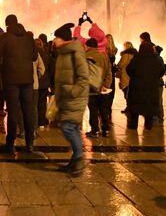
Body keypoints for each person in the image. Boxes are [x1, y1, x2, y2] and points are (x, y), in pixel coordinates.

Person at [0, 14, 38, 153]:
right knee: (28, 111)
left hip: (11, 79)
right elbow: (34, 56)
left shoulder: (5, 37)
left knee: (13, 112)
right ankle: (30, 143)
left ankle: (10, 144)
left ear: (7, 24)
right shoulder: (29, 37)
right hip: (27, 79)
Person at [52, 23, 90, 176]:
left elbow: (83, 77)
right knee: (72, 128)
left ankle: (79, 158)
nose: (54, 41)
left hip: (74, 97)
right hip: (66, 97)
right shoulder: (63, 53)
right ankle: (75, 161)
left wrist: (72, 91)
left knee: (68, 128)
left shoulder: (75, 52)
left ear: (63, 39)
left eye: (56, 38)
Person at [125, 42, 165, 130]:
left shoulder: (137, 58)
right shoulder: (156, 59)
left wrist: (135, 77)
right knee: (149, 107)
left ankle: (133, 125)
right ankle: (148, 125)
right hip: (151, 86)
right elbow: (162, 71)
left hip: (137, 86)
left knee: (135, 106)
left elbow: (129, 69)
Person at [84, 38, 113, 137]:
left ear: (88, 46)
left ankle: (95, 130)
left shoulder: (85, 56)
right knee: (104, 109)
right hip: (103, 89)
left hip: (91, 89)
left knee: (93, 110)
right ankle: (106, 129)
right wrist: (106, 85)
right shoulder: (104, 56)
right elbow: (109, 72)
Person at [116, 42, 137, 113]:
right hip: (132, 76)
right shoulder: (135, 55)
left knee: (126, 93)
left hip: (125, 76)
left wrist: (116, 66)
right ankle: (131, 107)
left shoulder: (126, 55)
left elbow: (121, 64)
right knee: (131, 93)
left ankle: (129, 107)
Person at [35, 38, 51, 128]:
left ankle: (36, 120)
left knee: (35, 103)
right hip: (45, 83)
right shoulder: (46, 56)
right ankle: (42, 120)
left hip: (36, 82)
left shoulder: (33, 55)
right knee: (43, 103)